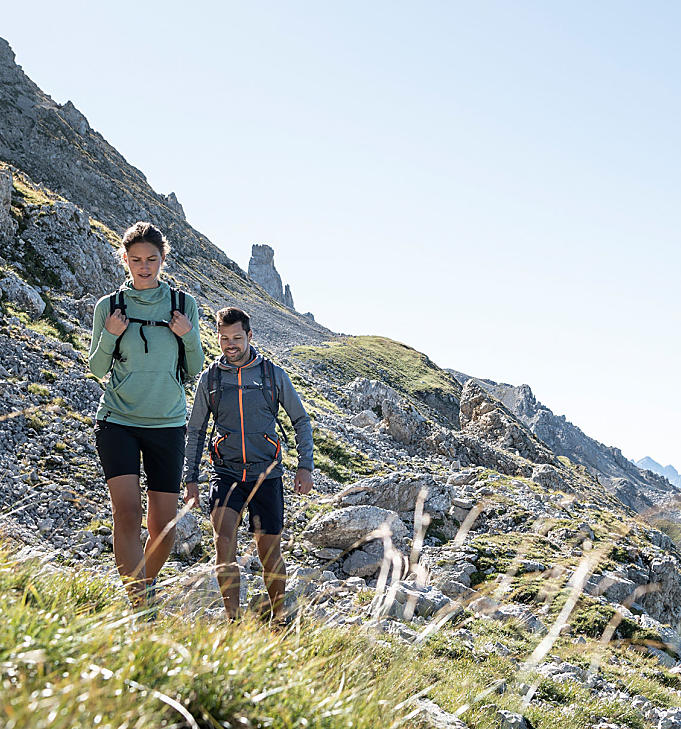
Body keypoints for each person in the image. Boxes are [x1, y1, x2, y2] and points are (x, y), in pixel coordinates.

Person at [89, 221, 204, 608]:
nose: (143, 266)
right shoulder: (109, 306)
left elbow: (194, 369)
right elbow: (96, 368)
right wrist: (110, 333)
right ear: (124, 260)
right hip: (117, 421)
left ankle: (144, 588)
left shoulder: (183, 305)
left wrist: (187, 335)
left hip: (168, 424)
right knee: (126, 512)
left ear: (163, 259)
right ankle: (140, 606)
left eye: (151, 259)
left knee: (164, 527)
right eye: (136, 259)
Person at [183, 306, 314, 622]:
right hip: (226, 473)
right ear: (217, 337)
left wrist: (304, 466)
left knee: (269, 553)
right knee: (223, 539)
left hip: (266, 476)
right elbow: (196, 430)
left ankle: (279, 618)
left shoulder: (272, 375)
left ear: (250, 336)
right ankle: (232, 620)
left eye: (237, 338)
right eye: (224, 338)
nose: (231, 344)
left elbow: (300, 420)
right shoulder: (210, 379)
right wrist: (191, 479)